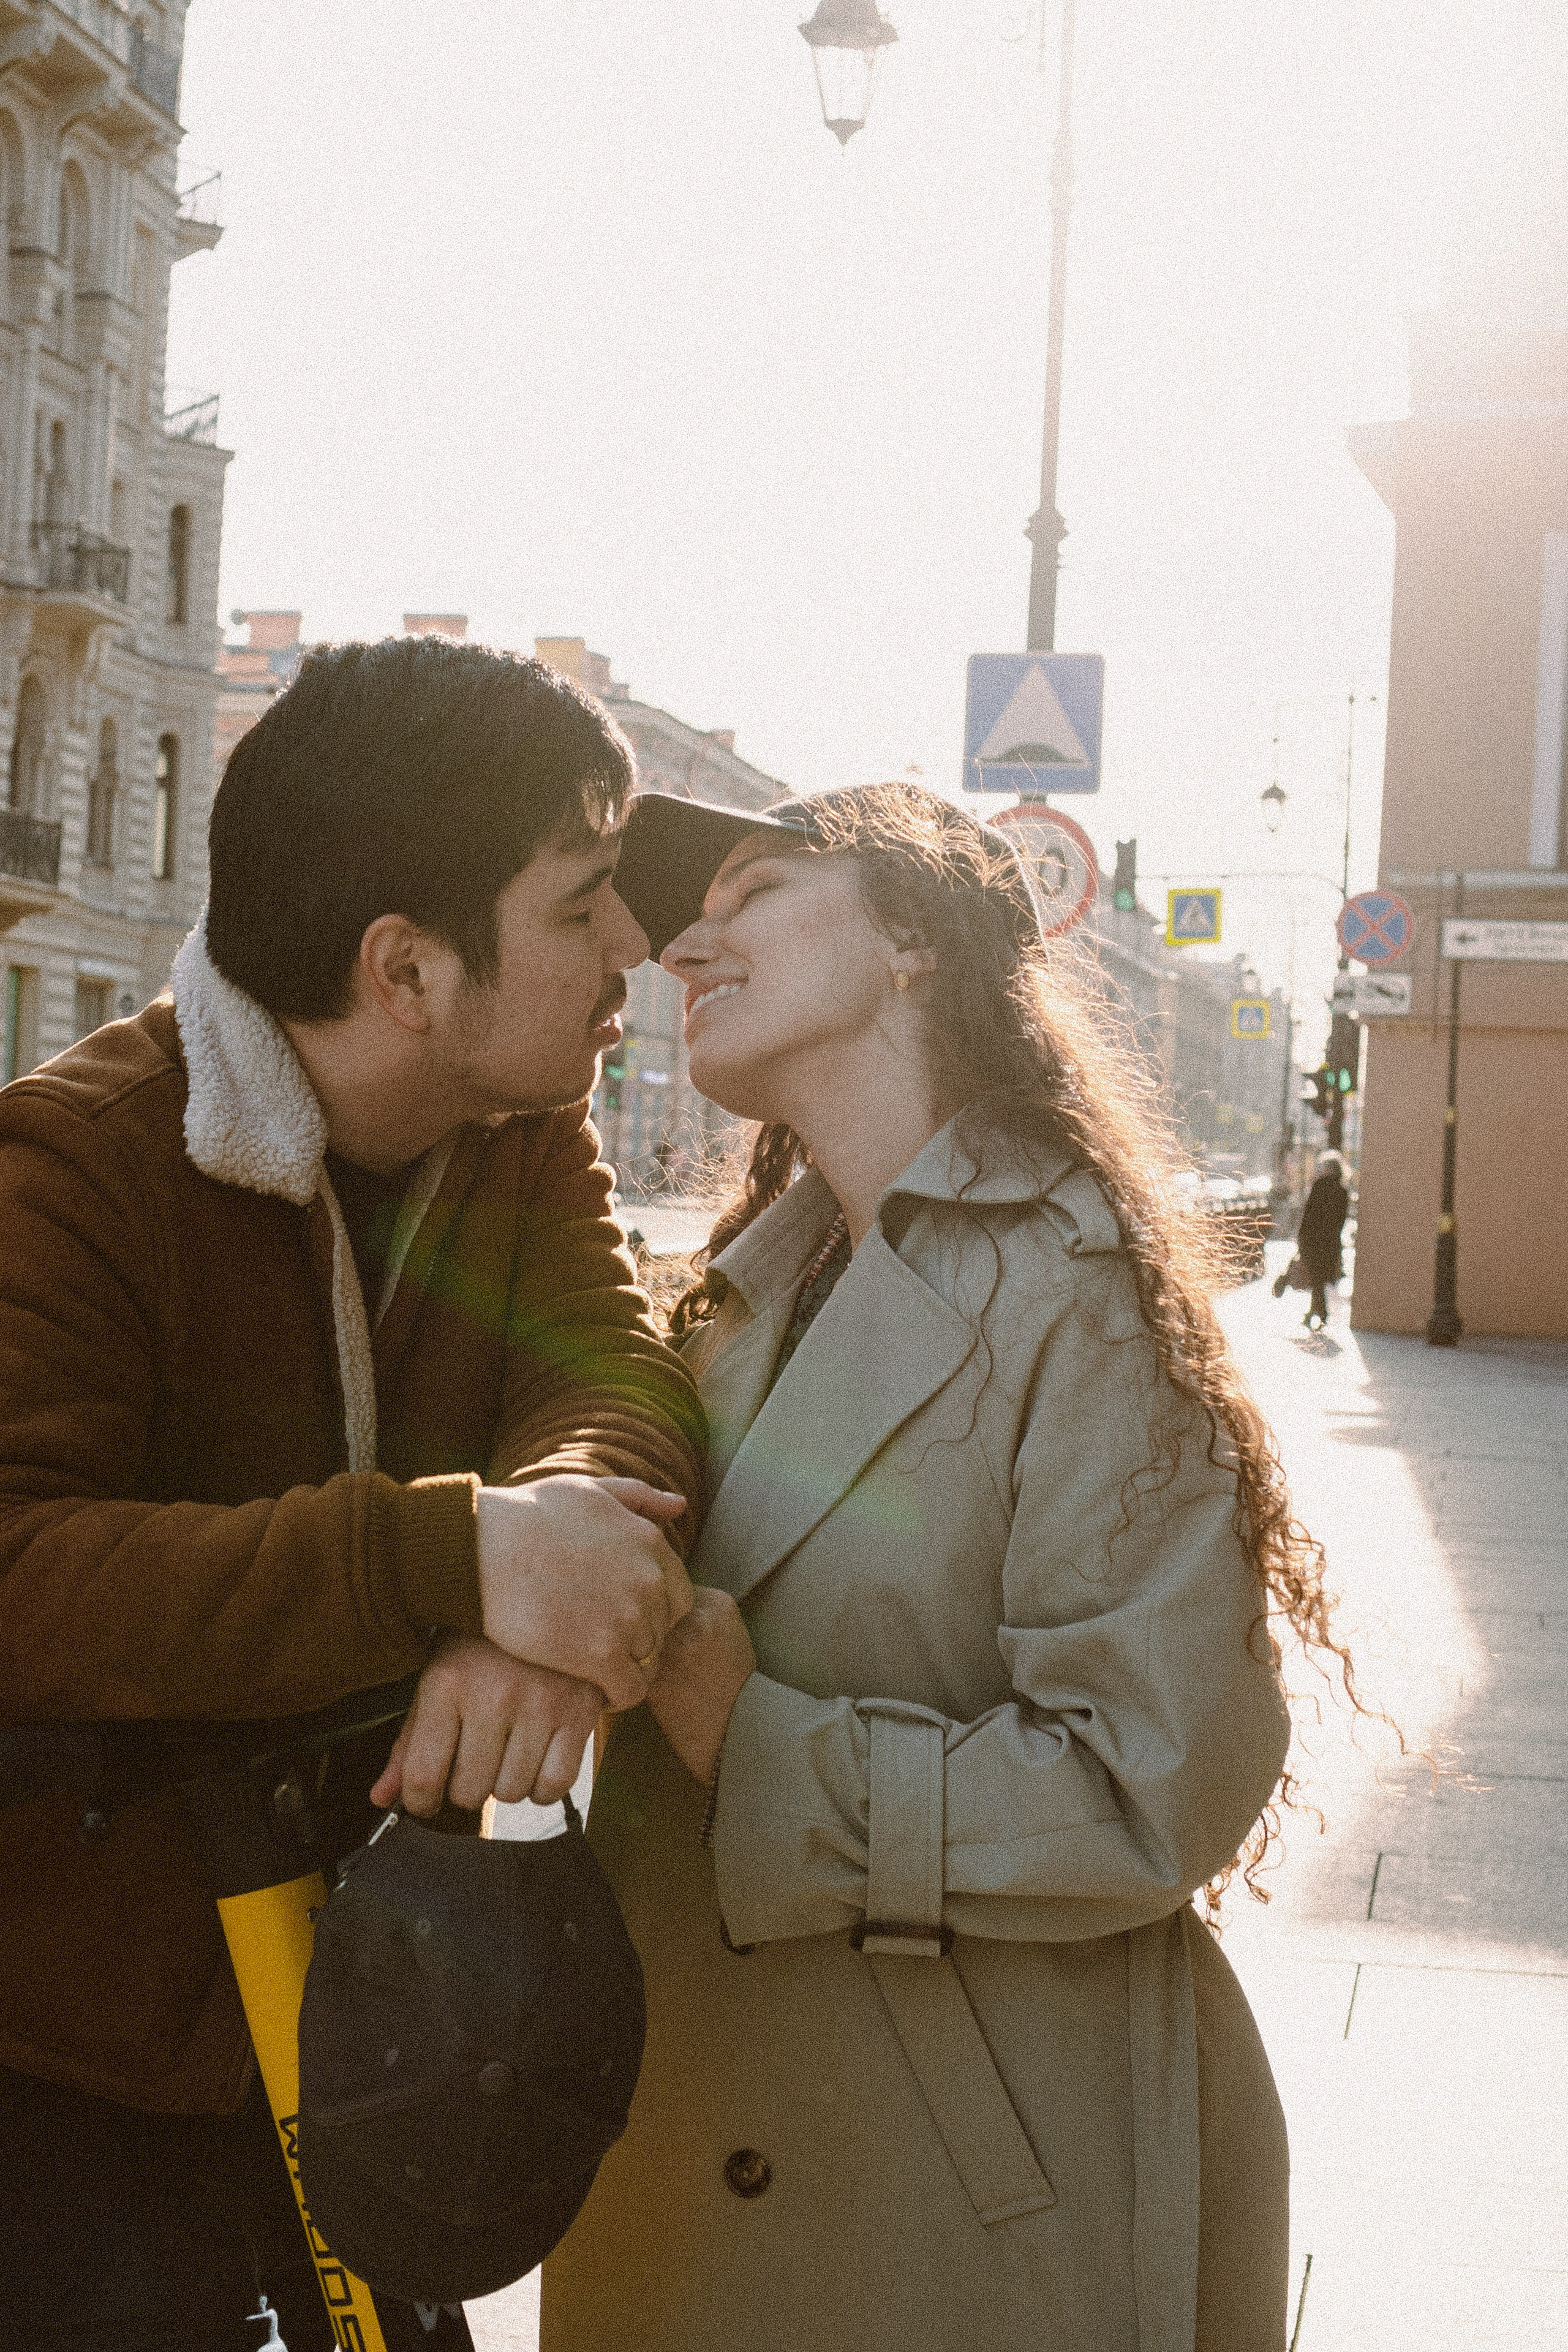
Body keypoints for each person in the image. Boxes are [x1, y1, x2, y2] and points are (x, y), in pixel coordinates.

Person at [543, 780, 1356, 2352]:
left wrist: (757, 1747)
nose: (686, 941)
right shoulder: (742, 1284)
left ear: (912, 937)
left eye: (755, 887)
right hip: (701, 2130)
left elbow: (1147, 1780)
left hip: (959, 2175)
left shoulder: (1072, 1286)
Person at [0, 637, 706, 2352]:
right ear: (406, 967)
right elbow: (23, 1575)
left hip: (376, 2027)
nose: (636, 950)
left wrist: (531, 1605)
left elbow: (616, 1389)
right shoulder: (76, 1168)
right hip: (75, 2073)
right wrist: (451, 1561)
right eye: (582, 902)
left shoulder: (520, 1134)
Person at [1292, 1149, 1351, 1332]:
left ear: (1329, 1169)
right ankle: (1314, 1312)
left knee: (1316, 1276)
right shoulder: (1342, 1191)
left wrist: (1301, 1236)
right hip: (1330, 1241)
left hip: (1313, 1238)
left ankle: (1321, 1312)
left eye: (1323, 1167)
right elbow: (1341, 1218)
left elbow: (1309, 1214)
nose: (1321, 1170)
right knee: (1319, 1277)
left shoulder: (1319, 1187)